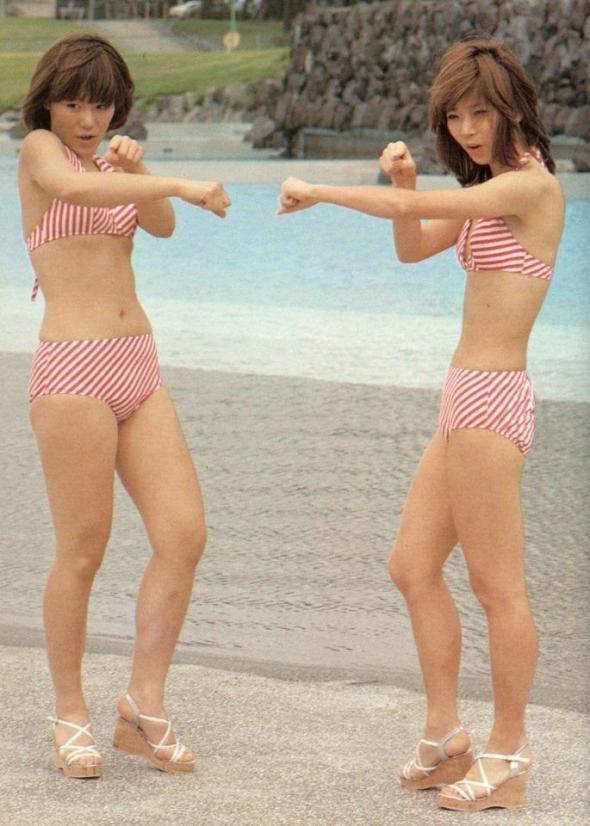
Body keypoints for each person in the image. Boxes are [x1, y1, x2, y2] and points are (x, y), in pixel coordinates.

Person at [278, 39, 564, 812]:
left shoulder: (531, 188)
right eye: (456, 117)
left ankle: (508, 754)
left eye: (480, 114)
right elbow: (412, 245)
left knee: (499, 589)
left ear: (511, 110)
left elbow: (408, 214)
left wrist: (320, 190)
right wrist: (405, 183)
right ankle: (445, 737)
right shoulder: (493, 189)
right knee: (411, 565)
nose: (467, 130)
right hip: (462, 398)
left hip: (492, 400)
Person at [17, 32, 231, 778]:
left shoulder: (113, 165)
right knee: (83, 550)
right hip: (73, 371)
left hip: (137, 365)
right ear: (48, 103)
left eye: (101, 106)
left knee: (184, 534)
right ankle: (69, 713)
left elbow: (158, 227)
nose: (88, 119)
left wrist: (140, 175)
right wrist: (176, 182)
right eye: (74, 103)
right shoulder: (40, 153)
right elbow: (75, 193)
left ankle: (143, 705)